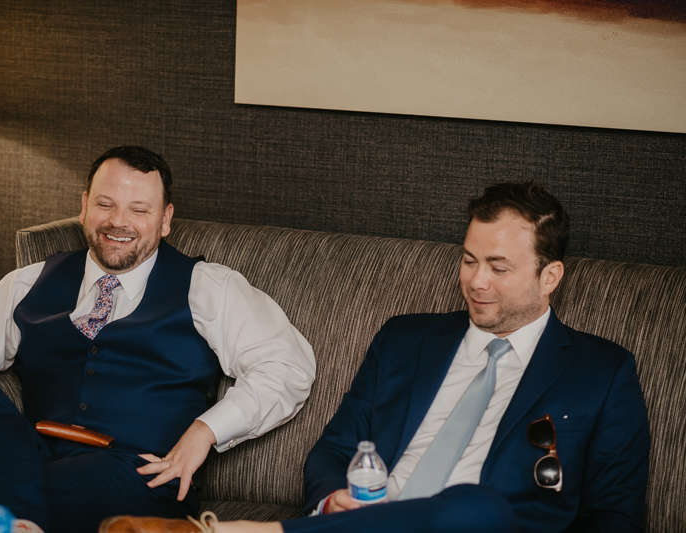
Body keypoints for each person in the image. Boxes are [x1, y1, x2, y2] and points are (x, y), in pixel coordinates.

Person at [106, 181, 650, 533]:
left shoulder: (601, 372)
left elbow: (614, 515)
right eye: (467, 260)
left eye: (500, 268)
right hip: (362, 523)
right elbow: (334, 449)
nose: (476, 282)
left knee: (473, 507)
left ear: (549, 275)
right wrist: (329, 503)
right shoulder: (406, 340)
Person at [0, 146, 316, 533]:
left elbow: (286, 366)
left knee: (11, 489)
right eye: (105, 204)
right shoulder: (33, 281)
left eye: (139, 210)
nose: (118, 222)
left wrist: (206, 431)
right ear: (84, 207)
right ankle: (14, 522)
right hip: (33, 458)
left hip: (140, 475)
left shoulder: (208, 287)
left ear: (166, 220)